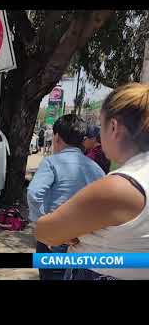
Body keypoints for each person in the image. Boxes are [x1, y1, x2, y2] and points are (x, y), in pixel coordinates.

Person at [35, 83, 149, 280]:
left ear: (113, 127)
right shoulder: (103, 171)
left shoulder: (120, 187)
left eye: (100, 126)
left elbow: (46, 231)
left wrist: (66, 228)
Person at [27, 114, 104, 280]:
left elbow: (34, 194)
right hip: (85, 241)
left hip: (55, 238)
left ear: (56, 137)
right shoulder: (96, 168)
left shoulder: (51, 162)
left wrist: (43, 223)